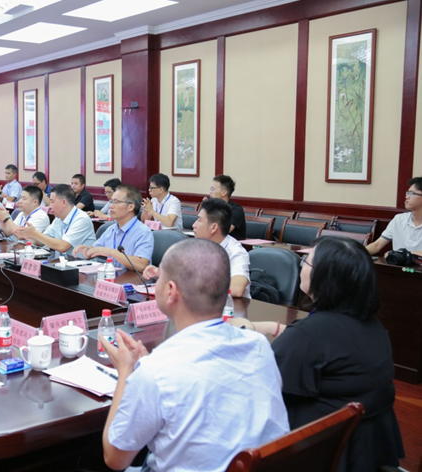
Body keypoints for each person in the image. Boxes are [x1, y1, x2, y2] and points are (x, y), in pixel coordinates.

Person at [100, 238, 288, 472]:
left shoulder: (155, 371)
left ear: (170, 291)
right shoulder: (259, 346)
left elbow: (115, 458)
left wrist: (126, 372)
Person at [229, 236, 404, 472]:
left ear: (325, 277)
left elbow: (259, 385)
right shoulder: (372, 326)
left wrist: (244, 334)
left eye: (306, 262)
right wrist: (270, 327)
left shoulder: (308, 337)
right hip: (364, 450)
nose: (302, 265)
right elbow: (326, 345)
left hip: (313, 452)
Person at [143, 198, 251, 316]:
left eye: (199, 220)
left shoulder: (236, 252)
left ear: (213, 227)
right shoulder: (197, 245)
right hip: (199, 309)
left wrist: (192, 285)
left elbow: (237, 288)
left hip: (229, 314)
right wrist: (160, 273)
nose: (193, 225)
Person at [74, 185, 153, 271]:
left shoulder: (143, 232)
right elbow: (93, 251)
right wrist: (85, 251)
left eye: (116, 202)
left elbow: (141, 265)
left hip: (131, 278)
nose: (111, 206)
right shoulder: (111, 229)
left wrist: (112, 252)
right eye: (111, 202)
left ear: (130, 207)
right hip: (111, 276)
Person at [15, 184, 95, 256]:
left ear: (63, 203)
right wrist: (30, 235)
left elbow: (63, 246)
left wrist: (35, 233)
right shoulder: (58, 219)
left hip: (81, 265)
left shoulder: (81, 219)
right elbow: (42, 241)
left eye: (52, 202)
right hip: (61, 263)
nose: (49, 206)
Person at [367, 176, 422, 255]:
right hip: (398, 263)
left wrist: (399, 254)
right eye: (407, 193)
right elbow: (377, 245)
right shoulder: (399, 219)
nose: (406, 197)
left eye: (411, 193)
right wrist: (356, 254)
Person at [207, 175, 245, 240]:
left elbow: (223, 232)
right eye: (210, 189)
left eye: (213, 189)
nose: (210, 192)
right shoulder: (212, 207)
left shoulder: (236, 210)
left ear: (224, 192)